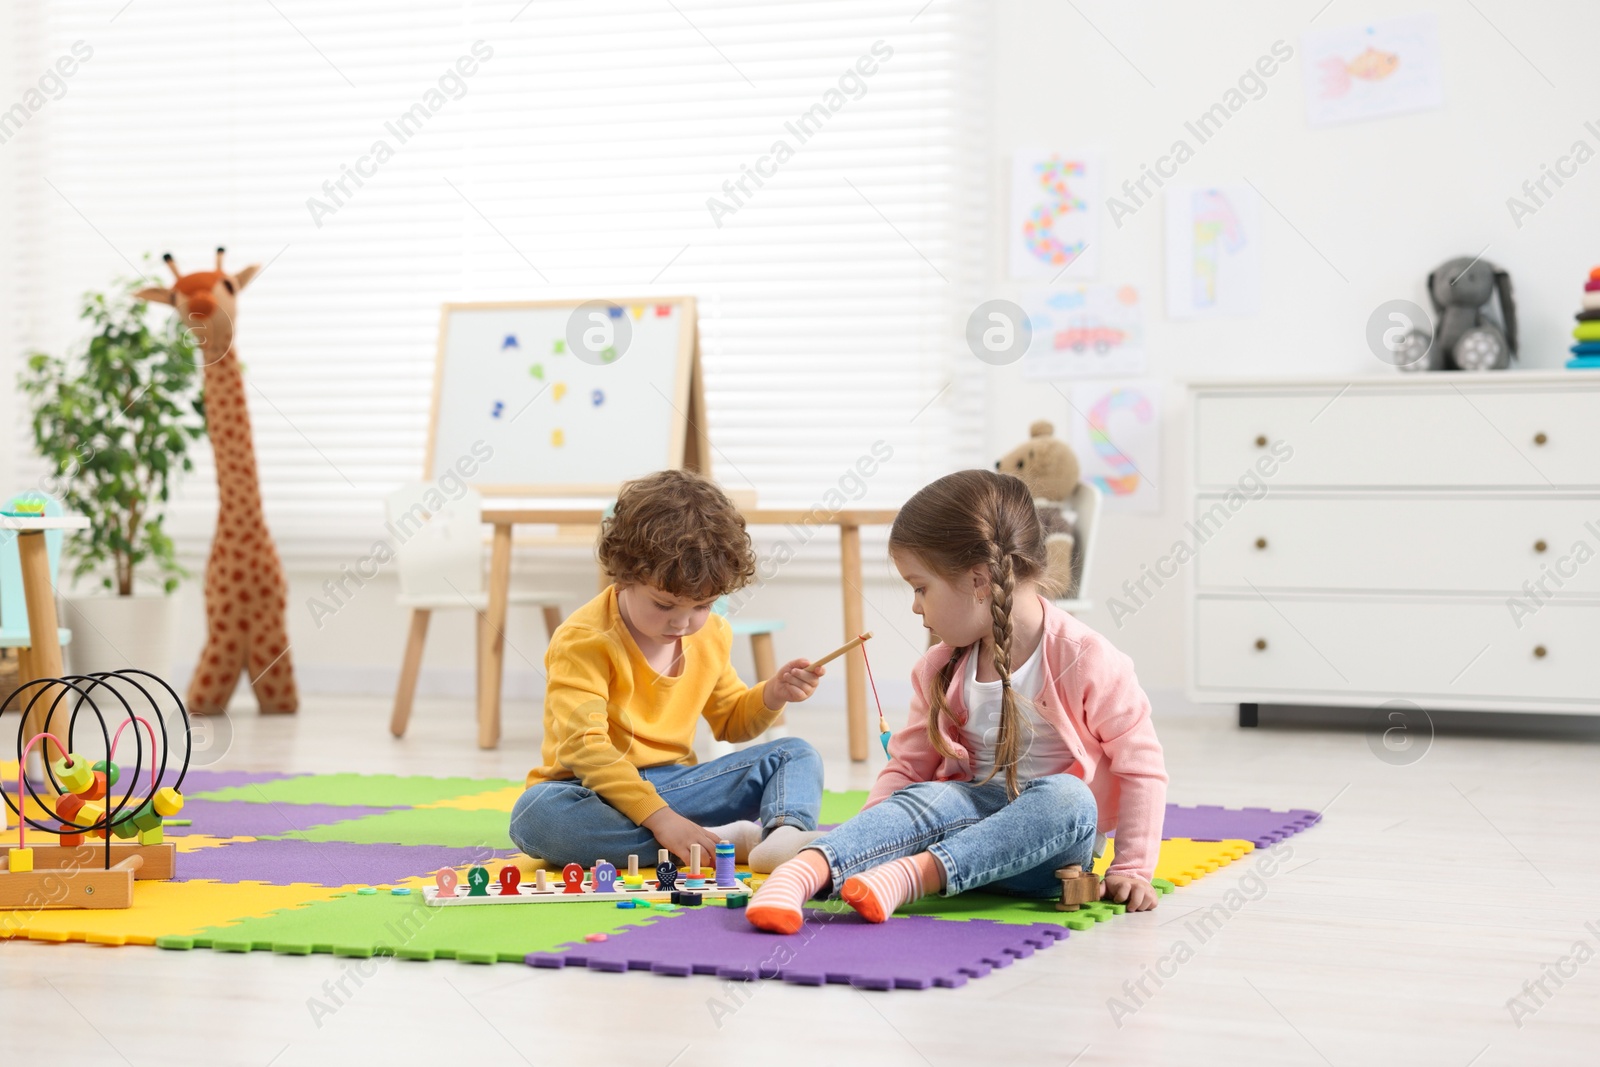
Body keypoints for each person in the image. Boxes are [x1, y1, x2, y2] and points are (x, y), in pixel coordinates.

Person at [748, 469, 1167, 934]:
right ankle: (802, 871)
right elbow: (907, 769)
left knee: (1069, 798)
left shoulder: (1085, 657)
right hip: (957, 828)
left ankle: (910, 877)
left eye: (920, 587)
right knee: (930, 794)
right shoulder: (939, 668)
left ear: (980, 581)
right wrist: (868, 841)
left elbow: (1141, 766)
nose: (914, 605)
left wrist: (1132, 868)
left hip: (1043, 858)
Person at [510, 469, 826, 873]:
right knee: (536, 816)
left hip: (678, 786)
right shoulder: (583, 639)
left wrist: (772, 694)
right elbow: (584, 749)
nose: (683, 622)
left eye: (702, 605)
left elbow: (730, 722)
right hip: (590, 790)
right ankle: (725, 841)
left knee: (796, 754)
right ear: (623, 576)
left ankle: (780, 838)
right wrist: (660, 819)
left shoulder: (711, 634)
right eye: (664, 605)